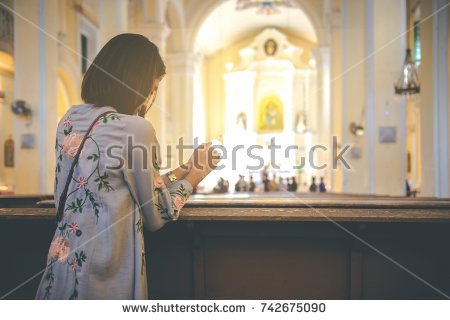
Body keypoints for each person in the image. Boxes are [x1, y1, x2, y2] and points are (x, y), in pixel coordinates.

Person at [35, 34, 218, 300]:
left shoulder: (70, 119)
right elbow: (156, 213)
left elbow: (125, 185)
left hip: (62, 264)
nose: (150, 97)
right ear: (139, 85)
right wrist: (196, 176)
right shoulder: (135, 128)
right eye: (153, 87)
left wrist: (184, 168)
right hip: (105, 269)